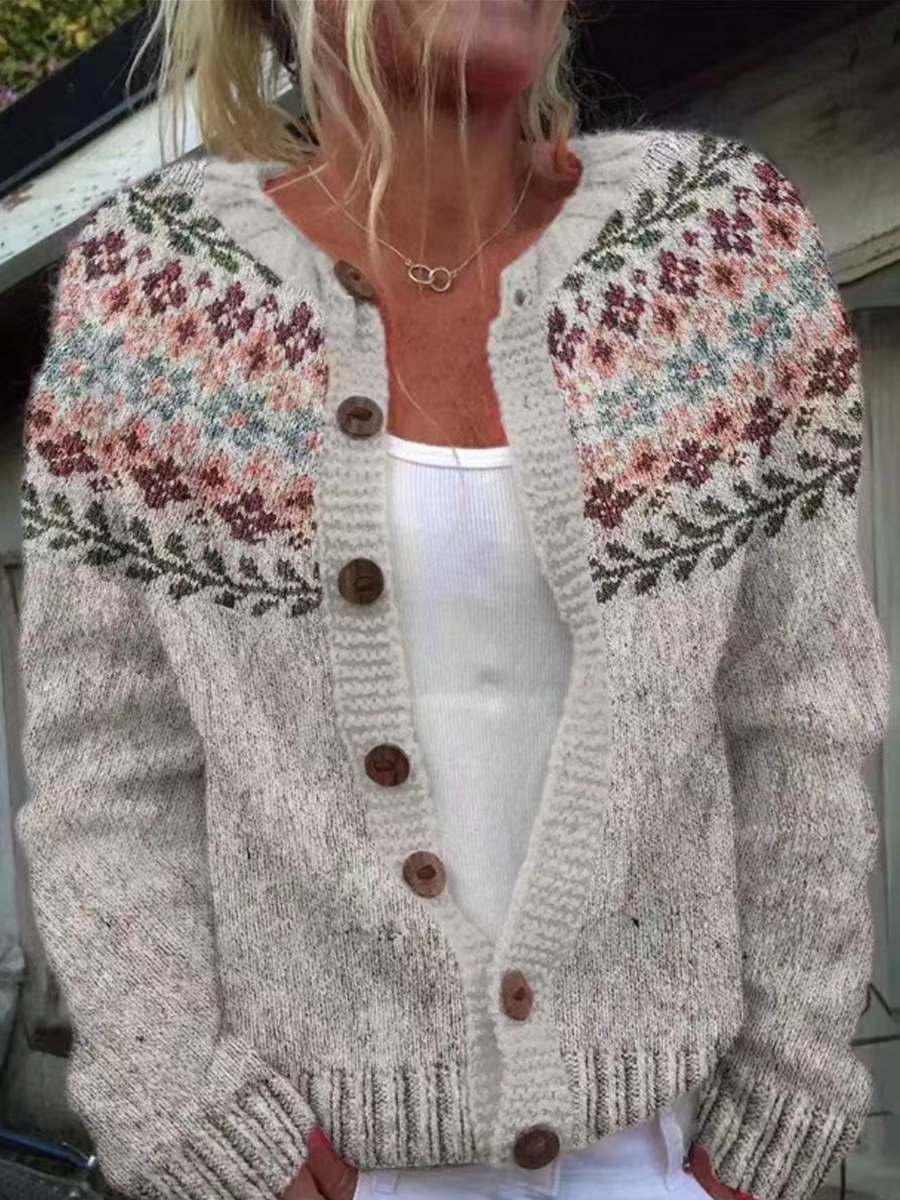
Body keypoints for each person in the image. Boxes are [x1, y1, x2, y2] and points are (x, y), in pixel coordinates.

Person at [14, 1, 889, 1199]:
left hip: (664, 1155)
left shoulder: (713, 244)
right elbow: (109, 762)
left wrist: (777, 1109)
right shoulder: (159, 295)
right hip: (306, 1158)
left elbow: (801, 703)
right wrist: (188, 1109)